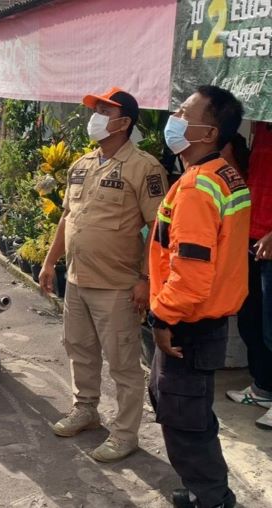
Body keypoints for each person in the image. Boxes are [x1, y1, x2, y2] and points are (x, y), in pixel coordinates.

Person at [39, 87, 168, 462]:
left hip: (117, 285)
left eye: (104, 111)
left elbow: (158, 229)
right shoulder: (81, 165)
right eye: (95, 110)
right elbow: (68, 217)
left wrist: (146, 279)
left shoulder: (145, 168)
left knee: (124, 363)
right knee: (79, 350)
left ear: (124, 122)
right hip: (78, 280)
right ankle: (87, 409)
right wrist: (49, 263)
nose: (94, 117)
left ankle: (125, 434)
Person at [148, 85, 249, 508]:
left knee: (184, 417)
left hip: (188, 323)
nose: (175, 116)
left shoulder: (198, 188)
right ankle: (205, 491)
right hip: (204, 319)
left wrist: (162, 319)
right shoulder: (226, 175)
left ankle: (210, 498)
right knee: (187, 409)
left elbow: (190, 274)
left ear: (208, 132)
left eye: (184, 111)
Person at [225, 121, 272, 430]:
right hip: (253, 236)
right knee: (251, 318)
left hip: (269, 238)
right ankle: (263, 388)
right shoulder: (261, 121)